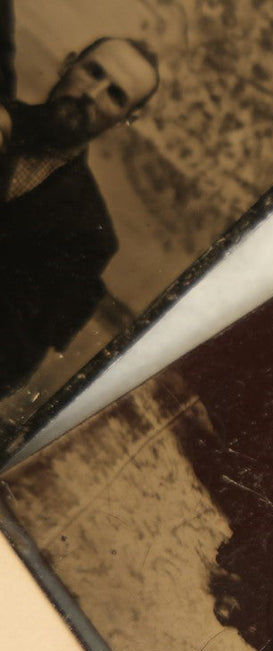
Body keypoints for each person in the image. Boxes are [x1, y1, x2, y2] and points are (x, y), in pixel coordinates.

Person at [0, 32, 160, 393]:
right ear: (68, 63)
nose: (92, 94)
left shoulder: (88, 236)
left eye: (115, 95)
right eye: (92, 72)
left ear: (125, 120)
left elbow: (11, 363)